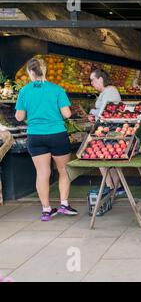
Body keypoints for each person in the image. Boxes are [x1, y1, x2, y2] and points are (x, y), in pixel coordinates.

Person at [15, 58, 77, 221]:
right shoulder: (57, 90)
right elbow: (67, 114)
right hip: (57, 134)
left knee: (42, 172)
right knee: (64, 170)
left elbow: (19, 117)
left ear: (30, 72)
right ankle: (64, 204)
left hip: (35, 136)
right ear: (45, 71)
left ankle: (46, 210)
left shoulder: (24, 91)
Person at [88, 69, 123, 193]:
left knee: (99, 157)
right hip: (107, 130)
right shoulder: (106, 92)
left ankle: (110, 186)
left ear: (101, 79)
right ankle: (117, 187)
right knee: (109, 158)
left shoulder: (110, 91)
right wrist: (93, 114)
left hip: (110, 130)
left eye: (93, 80)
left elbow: (105, 112)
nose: (91, 83)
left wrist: (93, 113)